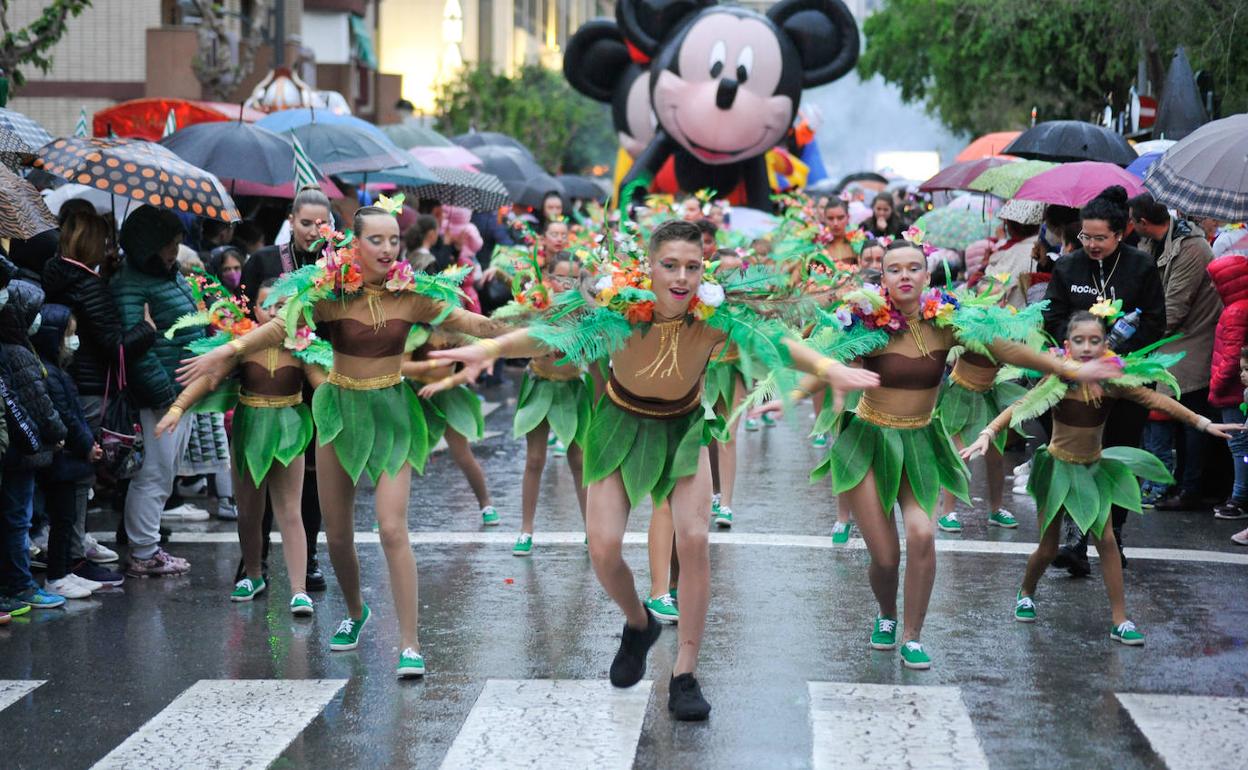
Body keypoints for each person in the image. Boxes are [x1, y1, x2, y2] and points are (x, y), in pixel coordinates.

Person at [426, 219, 880, 720]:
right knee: (603, 550)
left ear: (703, 271)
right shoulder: (619, 312)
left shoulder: (715, 317)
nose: (681, 277)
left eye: (692, 267)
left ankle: (684, 674)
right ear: (649, 267)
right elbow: (551, 335)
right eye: (670, 265)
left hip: (684, 429)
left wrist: (830, 368)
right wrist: (487, 349)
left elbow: (775, 340)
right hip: (620, 424)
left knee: (694, 540)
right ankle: (639, 623)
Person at [178, 203, 509, 678]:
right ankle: (356, 612)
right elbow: (281, 326)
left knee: (392, 529)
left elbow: (471, 323)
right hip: (338, 411)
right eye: (376, 239)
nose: (387, 248)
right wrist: (228, 350)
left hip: (392, 412)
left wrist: (528, 328)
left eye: (394, 240)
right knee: (337, 537)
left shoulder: (411, 296)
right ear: (354, 245)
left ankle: (410, 644)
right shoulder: (329, 295)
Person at [759, 242, 1121, 670]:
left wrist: (1067, 367)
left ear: (927, 277)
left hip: (920, 441)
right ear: (884, 277)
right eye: (895, 269)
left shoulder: (946, 322)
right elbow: (828, 361)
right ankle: (887, 614)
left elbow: (1005, 348)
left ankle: (912, 636)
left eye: (914, 268)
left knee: (922, 534)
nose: (905, 276)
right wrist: (791, 395)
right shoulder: (865, 322)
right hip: (867, 443)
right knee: (885, 557)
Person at [962, 311, 1242, 644]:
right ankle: (1026, 591)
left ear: (1106, 345)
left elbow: (1156, 399)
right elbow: (1022, 405)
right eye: (1079, 341)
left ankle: (1119, 620)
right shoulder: (1057, 381)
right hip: (1056, 469)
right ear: (1067, 346)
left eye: (1094, 341)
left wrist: (1203, 423)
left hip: (1093, 469)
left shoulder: (1111, 382)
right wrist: (988, 433)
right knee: (1048, 548)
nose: (1086, 347)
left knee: (1106, 542)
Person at [157, 279, 323, 614]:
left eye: (282, 306)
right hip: (250, 428)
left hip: (290, 428)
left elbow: (324, 386)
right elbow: (209, 379)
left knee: (290, 511)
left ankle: (298, 589)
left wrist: (348, 402)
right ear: (255, 310)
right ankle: (254, 574)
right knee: (248, 511)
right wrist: (177, 407)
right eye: (267, 305)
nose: (274, 312)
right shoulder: (242, 344)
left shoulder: (303, 344)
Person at [1042, 185, 1165, 575]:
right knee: (1078, 454)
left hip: (1126, 376)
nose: (1092, 245)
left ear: (1120, 233)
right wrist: (1078, 345)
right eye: (1086, 236)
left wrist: (1116, 352)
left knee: (1117, 455)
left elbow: (1156, 321)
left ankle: (1115, 535)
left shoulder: (1141, 266)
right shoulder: (1067, 267)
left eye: (1100, 238)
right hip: (1076, 377)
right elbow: (1051, 316)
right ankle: (1076, 538)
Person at [42, 212, 155, 565]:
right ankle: (74, 555)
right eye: (104, 241)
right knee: (81, 470)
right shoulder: (89, 285)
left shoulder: (57, 276)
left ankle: (70, 545)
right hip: (90, 388)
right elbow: (113, 344)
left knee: (70, 468)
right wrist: (146, 330)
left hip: (64, 380)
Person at [237, 185, 331, 590]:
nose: (313, 231)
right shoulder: (263, 260)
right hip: (267, 378)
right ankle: (253, 561)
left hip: (314, 376)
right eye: (305, 222)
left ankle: (308, 558)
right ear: (291, 221)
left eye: (321, 224)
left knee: (311, 476)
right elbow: (239, 313)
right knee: (258, 474)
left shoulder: (336, 265)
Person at [111, 205, 202, 577]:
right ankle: (144, 552)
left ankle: (148, 546)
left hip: (181, 390)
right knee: (153, 473)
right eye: (169, 244)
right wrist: (165, 394)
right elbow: (140, 351)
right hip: (161, 396)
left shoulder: (169, 274)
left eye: (177, 243)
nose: (174, 252)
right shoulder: (130, 284)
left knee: (165, 473)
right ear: (147, 245)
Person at [488, 251, 588, 556]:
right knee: (534, 460)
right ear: (548, 278)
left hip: (573, 388)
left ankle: (591, 530)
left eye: (574, 278)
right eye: (560, 278)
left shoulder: (587, 309)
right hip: (540, 384)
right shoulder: (537, 305)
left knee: (579, 460)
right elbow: (513, 329)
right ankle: (526, 530)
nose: (567, 284)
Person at [1129, 192, 1222, 511]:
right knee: (1172, 417)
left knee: (1191, 418)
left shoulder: (1192, 248)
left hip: (1190, 339)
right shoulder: (1150, 244)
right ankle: (1171, 484)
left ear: (1143, 222)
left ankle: (1190, 489)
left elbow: (1173, 308)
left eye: (1132, 221)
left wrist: (1136, 337)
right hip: (1166, 336)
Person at [31, 304, 119, 598]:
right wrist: (86, 445)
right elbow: (67, 417)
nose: (74, 340)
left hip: (69, 457)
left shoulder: (57, 372)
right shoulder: (51, 375)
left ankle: (64, 571)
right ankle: (57, 576)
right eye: (69, 334)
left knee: (66, 519)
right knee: (62, 519)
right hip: (65, 460)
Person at [0, 279, 68, 611]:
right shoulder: (18, 353)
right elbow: (39, 405)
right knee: (18, 519)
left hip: (15, 449)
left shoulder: (14, 348)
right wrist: (58, 432)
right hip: (22, 452)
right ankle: (20, 585)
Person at [1207, 254, 1248, 521]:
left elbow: (1231, 357)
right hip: (1237, 388)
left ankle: (1238, 499)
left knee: (1239, 445)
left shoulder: (1235, 311)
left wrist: (1216, 386)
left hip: (1232, 391)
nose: (1212, 286)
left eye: (1215, 281)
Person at [981, 199, 1043, 308]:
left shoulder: (1010, 254)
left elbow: (987, 290)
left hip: (1012, 313)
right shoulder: (1046, 250)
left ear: (1010, 226)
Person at [822, 199, 856, 265]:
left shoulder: (858, 243)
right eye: (830, 218)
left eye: (840, 218)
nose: (835, 223)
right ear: (824, 219)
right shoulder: (817, 245)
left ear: (848, 217)